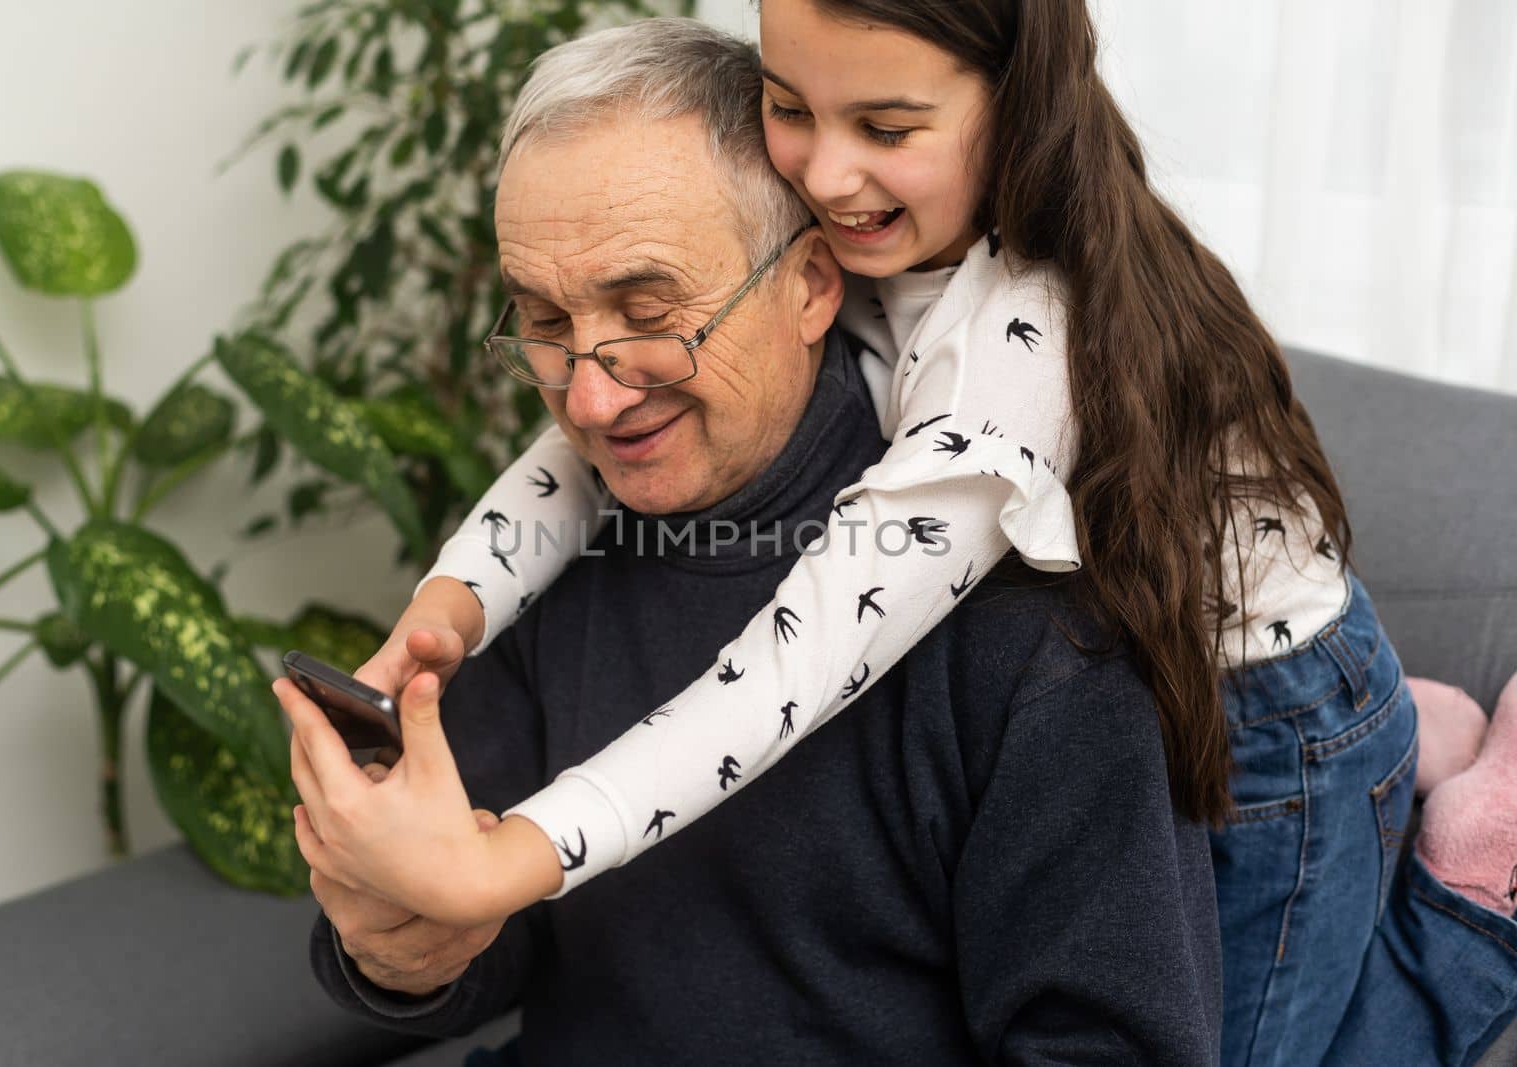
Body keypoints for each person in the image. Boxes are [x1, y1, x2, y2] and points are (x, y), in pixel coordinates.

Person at [289, 8, 1517, 1064]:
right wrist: (408, 935)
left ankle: (1468, 904)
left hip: (1278, 689)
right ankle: (1402, 733)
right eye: (545, 321)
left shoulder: (1011, 567)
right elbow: (556, 469)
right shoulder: (644, 453)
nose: (592, 394)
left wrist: (508, 857)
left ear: (809, 284)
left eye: (648, 313)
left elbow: (776, 677)